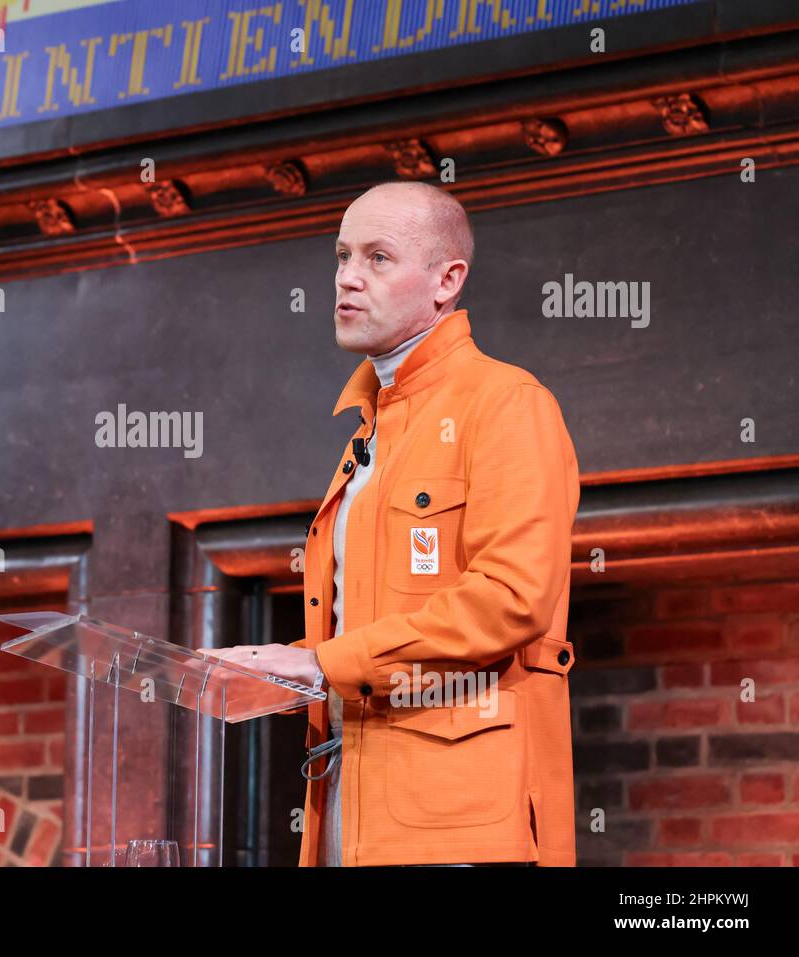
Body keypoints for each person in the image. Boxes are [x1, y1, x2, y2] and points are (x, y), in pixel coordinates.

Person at [203, 182, 580, 867]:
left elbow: (510, 599)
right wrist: (279, 671)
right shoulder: (369, 431)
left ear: (447, 280)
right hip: (349, 803)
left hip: (462, 825)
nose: (348, 276)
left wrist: (319, 663)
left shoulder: (506, 403)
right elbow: (369, 627)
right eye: (343, 255)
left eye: (378, 257)